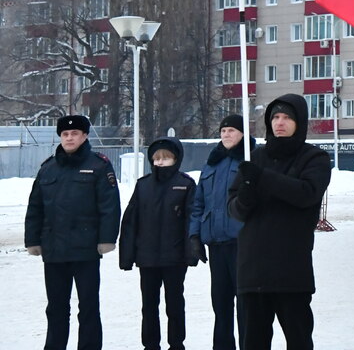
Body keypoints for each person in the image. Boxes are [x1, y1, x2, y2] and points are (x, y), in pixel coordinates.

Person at [228, 94, 331, 350]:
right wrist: (245, 198)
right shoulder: (255, 157)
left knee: (298, 341)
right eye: (275, 117)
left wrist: (263, 178)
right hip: (253, 270)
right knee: (253, 342)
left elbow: (307, 194)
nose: (279, 122)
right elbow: (234, 209)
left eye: (287, 117)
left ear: (299, 122)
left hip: (291, 271)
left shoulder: (314, 158)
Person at [24, 114, 121, 350]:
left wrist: (107, 239)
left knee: (88, 306)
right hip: (54, 250)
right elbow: (35, 207)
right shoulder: (48, 168)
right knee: (56, 307)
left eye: (75, 133)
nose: (69, 138)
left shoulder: (98, 165)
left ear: (84, 136)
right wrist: (33, 240)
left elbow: (109, 206)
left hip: (85, 249)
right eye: (65, 134)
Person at [119, 135, 200, 350]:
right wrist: (127, 256)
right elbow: (130, 222)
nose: (160, 162)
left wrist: (191, 252)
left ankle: (176, 343)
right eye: (156, 158)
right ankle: (151, 344)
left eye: (165, 158)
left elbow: (191, 220)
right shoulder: (143, 185)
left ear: (176, 159)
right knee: (149, 305)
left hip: (175, 258)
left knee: (175, 304)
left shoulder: (185, 184)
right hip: (147, 258)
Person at [190, 114, 254, 350]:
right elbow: (198, 203)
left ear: (242, 134)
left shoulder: (251, 159)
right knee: (220, 303)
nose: (226, 135)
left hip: (243, 243)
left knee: (246, 304)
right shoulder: (212, 162)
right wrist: (194, 235)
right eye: (223, 131)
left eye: (232, 131)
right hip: (216, 243)